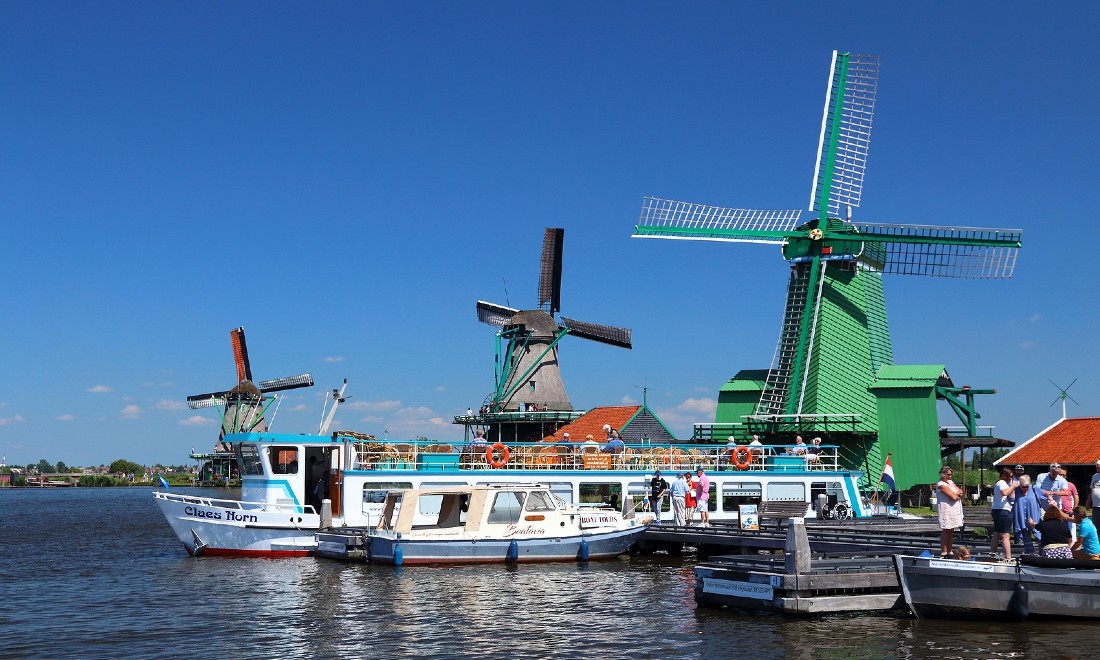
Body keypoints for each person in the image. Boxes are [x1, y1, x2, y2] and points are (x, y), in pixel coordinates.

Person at [936, 465, 963, 558]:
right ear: (943, 474)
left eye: (951, 474)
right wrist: (956, 494)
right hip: (946, 509)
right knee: (946, 530)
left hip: (954, 509)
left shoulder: (950, 482)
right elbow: (953, 496)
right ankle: (944, 551)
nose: (950, 476)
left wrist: (956, 493)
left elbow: (961, 491)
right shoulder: (941, 484)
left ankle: (949, 550)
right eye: (948, 474)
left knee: (951, 530)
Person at [990, 467, 1017, 559]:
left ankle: (993, 552)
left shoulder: (1003, 483)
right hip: (1003, 510)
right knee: (1005, 535)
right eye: (1010, 476)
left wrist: (1011, 488)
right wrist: (1013, 486)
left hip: (997, 510)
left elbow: (1010, 495)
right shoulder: (1001, 483)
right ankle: (1008, 557)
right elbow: (1004, 493)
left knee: (997, 533)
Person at [1013, 474, 1042, 555]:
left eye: (1027, 486)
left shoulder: (1034, 488)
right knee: (1026, 537)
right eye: (1023, 486)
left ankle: (1043, 552)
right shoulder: (1016, 490)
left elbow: (1045, 494)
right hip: (1021, 517)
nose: (1025, 488)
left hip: (1034, 516)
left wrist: (1050, 499)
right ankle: (1030, 554)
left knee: (1039, 535)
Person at [1090, 459, 1100, 529]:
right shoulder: (1094, 476)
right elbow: (1092, 490)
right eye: (1097, 467)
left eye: (1099, 468)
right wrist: (1088, 502)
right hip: (1096, 506)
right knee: (1095, 526)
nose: (1098, 469)